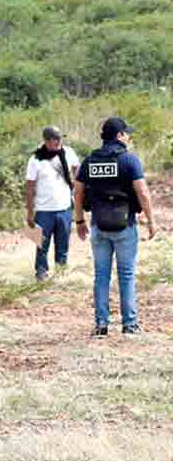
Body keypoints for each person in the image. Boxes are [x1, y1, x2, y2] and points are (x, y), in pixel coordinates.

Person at [74, 117, 158, 336]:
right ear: (119, 136)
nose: (128, 137)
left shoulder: (90, 160)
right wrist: (151, 222)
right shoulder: (130, 160)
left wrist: (79, 221)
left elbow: (78, 192)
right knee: (126, 274)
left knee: (101, 275)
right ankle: (129, 325)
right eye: (126, 133)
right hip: (125, 225)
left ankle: (101, 325)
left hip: (98, 225)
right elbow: (143, 193)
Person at [25, 127, 80, 281]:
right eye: (56, 139)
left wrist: (76, 183)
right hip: (44, 210)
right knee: (41, 245)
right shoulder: (35, 159)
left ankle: (60, 272)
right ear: (47, 141)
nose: (59, 142)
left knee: (63, 244)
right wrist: (30, 212)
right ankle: (41, 273)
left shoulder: (69, 152)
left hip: (64, 208)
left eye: (60, 138)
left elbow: (77, 168)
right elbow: (29, 186)